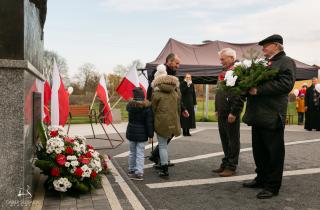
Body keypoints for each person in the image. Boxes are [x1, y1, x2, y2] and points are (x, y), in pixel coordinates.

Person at [242, 34, 296, 199]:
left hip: (272, 115)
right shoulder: (264, 62)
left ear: (276, 45)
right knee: (259, 151)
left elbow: (286, 84)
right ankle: (261, 178)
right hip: (258, 114)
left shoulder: (286, 61)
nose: (263, 48)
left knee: (274, 152)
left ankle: (272, 186)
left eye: (266, 45)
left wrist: (259, 90)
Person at [147, 53, 189, 166]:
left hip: (172, 110)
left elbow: (178, 95)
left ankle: (157, 156)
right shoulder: (159, 72)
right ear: (169, 61)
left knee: (169, 134)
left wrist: (183, 108)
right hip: (161, 109)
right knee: (164, 136)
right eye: (177, 63)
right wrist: (150, 106)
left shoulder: (174, 74)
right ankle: (159, 158)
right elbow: (151, 90)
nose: (178, 66)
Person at [213, 48, 244, 177]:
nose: (221, 62)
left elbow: (240, 94)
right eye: (220, 59)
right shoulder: (224, 72)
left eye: (223, 59)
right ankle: (226, 162)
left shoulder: (237, 71)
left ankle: (232, 166)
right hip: (222, 111)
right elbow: (219, 92)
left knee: (232, 140)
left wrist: (234, 112)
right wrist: (216, 108)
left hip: (231, 113)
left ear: (231, 58)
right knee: (225, 139)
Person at [151, 66, 181, 177]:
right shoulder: (175, 92)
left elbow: (153, 110)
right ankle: (162, 163)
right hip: (173, 121)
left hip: (161, 122)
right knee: (165, 145)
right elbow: (178, 108)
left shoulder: (156, 94)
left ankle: (164, 169)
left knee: (162, 145)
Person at [126, 87, 154, 181]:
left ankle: (131, 169)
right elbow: (149, 123)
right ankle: (139, 173)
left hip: (131, 132)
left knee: (132, 152)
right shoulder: (147, 107)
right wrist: (151, 135)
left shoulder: (130, 106)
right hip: (142, 133)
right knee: (140, 153)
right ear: (143, 96)